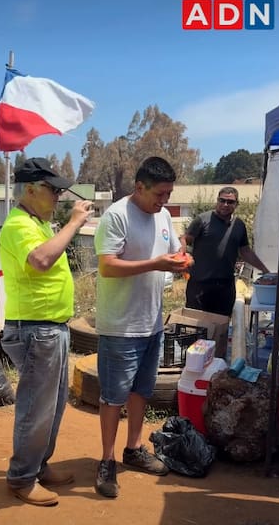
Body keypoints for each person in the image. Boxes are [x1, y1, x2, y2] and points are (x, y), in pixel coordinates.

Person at [0, 157, 94, 506]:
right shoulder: (18, 225)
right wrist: (74, 223)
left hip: (51, 328)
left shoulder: (38, 223)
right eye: (52, 190)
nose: (57, 196)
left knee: (52, 407)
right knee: (36, 408)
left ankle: (38, 465)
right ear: (30, 189)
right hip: (35, 330)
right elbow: (40, 261)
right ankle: (22, 477)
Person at [93, 156, 189, 498]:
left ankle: (133, 449)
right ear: (140, 187)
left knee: (141, 392)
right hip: (120, 325)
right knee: (113, 396)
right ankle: (106, 461)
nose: (164, 201)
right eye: (160, 194)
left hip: (152, 322)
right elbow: (107, 267)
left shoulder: (162, 215)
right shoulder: (117, 215)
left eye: (168, 194)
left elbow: (176, 249)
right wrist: (157, 263)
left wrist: (181, 259)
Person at [181, 186, 270, 316]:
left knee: (221, 329)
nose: (225, 204)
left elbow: (245, 251)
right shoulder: (202, 220)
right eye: (222, 200)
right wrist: (182, 255)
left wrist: (264, 270)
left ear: (237, 204)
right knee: (196, 330)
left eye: (230, 202)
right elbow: (185, 238)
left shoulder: (239, 225)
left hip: (225, 288)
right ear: (217, 201)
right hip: (199, 286)